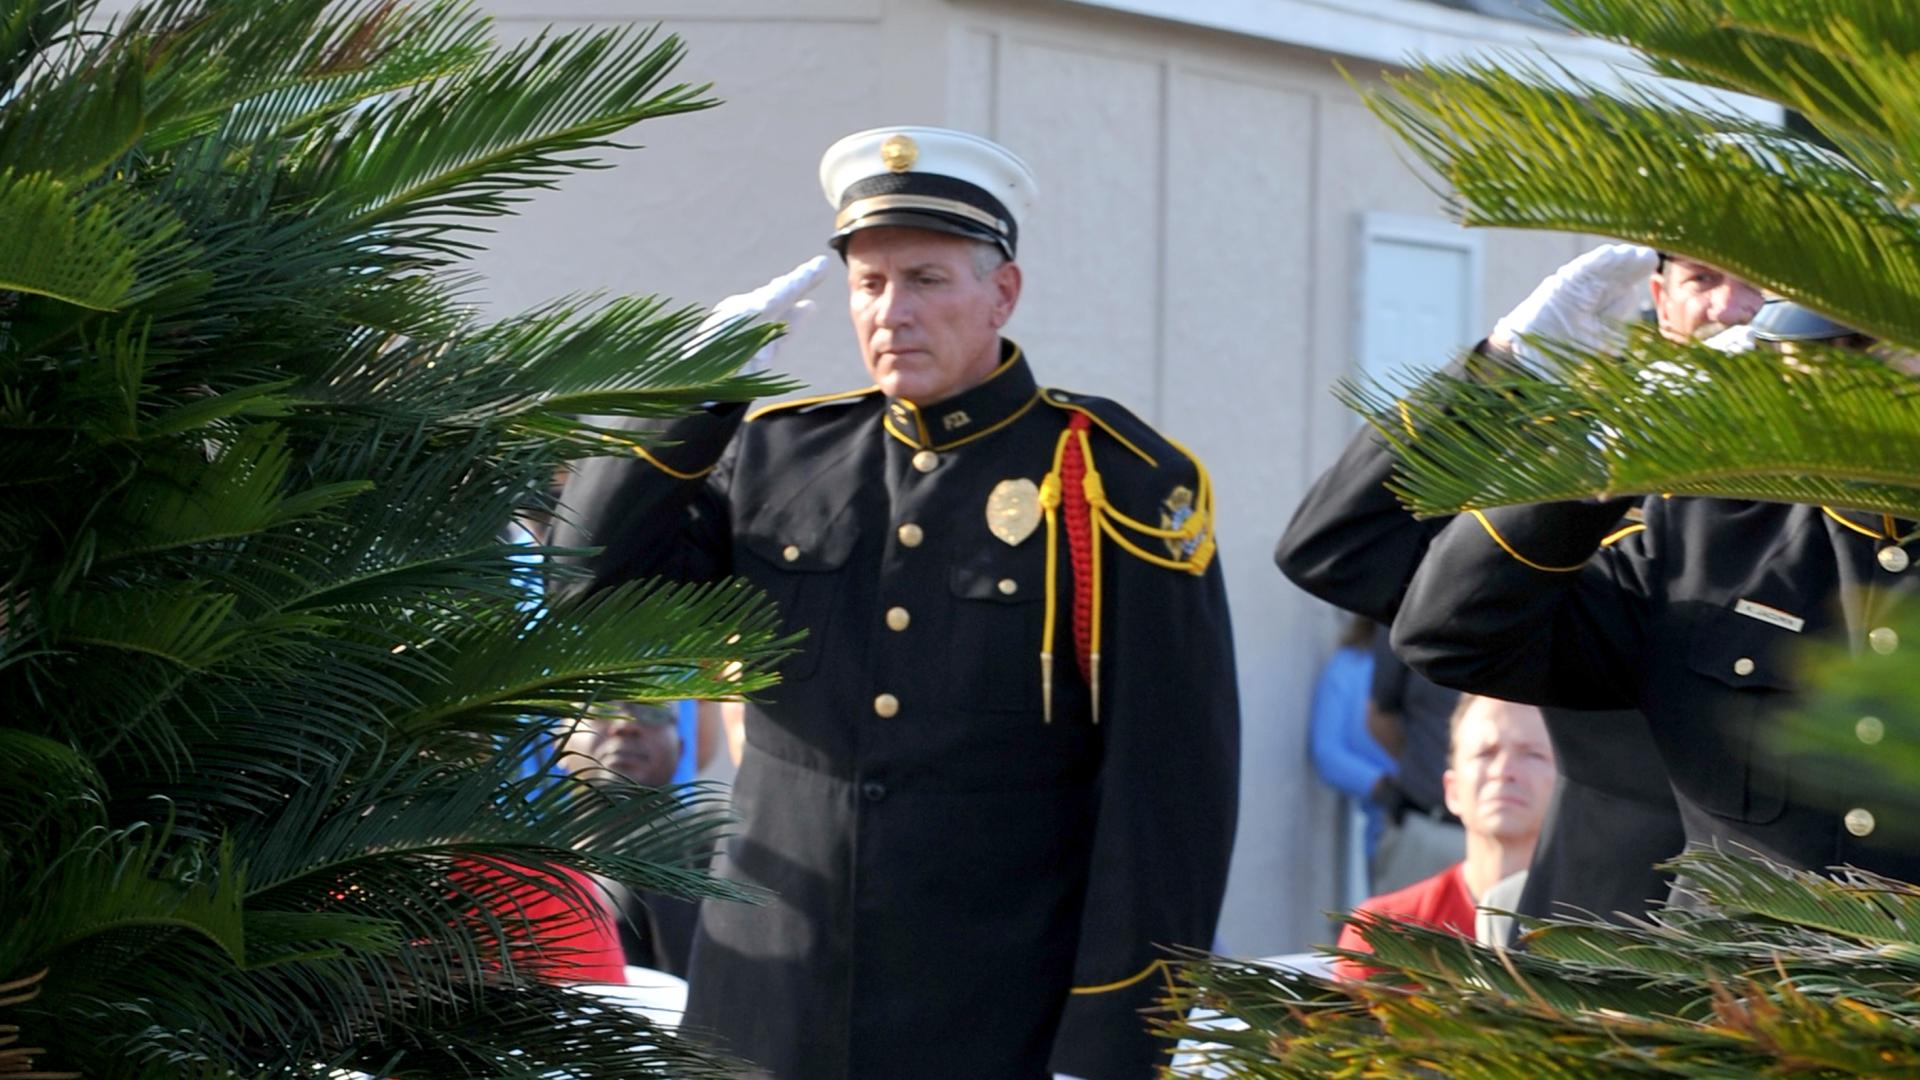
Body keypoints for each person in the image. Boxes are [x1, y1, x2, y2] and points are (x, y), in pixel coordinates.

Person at [555, 125, 1240, 1080]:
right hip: (766, 1004)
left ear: (1003, 292)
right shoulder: (780, 456)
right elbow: (590, 581)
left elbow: (1169, 788)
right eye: (869, 285)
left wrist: (1114, 1034)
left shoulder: (1109, 480)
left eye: (926, 280)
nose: (892, 313)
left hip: (991, 1011)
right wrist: (682, 392)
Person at [1278, 244, 1757, 923]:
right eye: (1702, 278)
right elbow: (1340, 548)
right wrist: (1504, 372)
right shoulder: (1596, 480)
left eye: (1760, 285)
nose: (1728, 308)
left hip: (1808, 950)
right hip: (1599, 935)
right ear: (1660, 299)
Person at [1392, 293, 1920, 886]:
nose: (1839, 381)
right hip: (1738, 977)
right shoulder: (1703, 531)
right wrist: (1604, 449)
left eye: (1871, 351)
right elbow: (1449, 635)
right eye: (1821, 353)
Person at [1335, 693, 1556, 977]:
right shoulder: (1383, 932)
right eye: (1485, 753)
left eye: (1532, 754)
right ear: (1452, 790)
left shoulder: (1596, 937)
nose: (1504, 771)